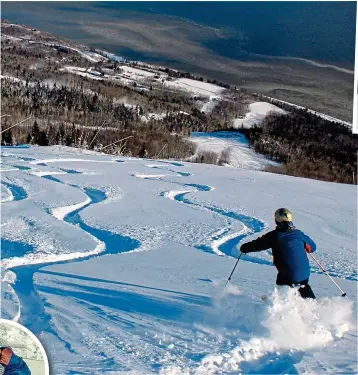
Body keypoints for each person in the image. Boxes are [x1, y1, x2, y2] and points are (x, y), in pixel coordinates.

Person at [240, 208, 316, 299]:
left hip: (288, 274)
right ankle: (310, 303)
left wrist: (244, 248)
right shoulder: (298, 234)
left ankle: (281, 304)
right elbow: (313, 247)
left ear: (277, 220)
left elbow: (258, 245)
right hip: (305, 272)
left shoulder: (275, 236)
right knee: (301, 284)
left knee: (283, 282)